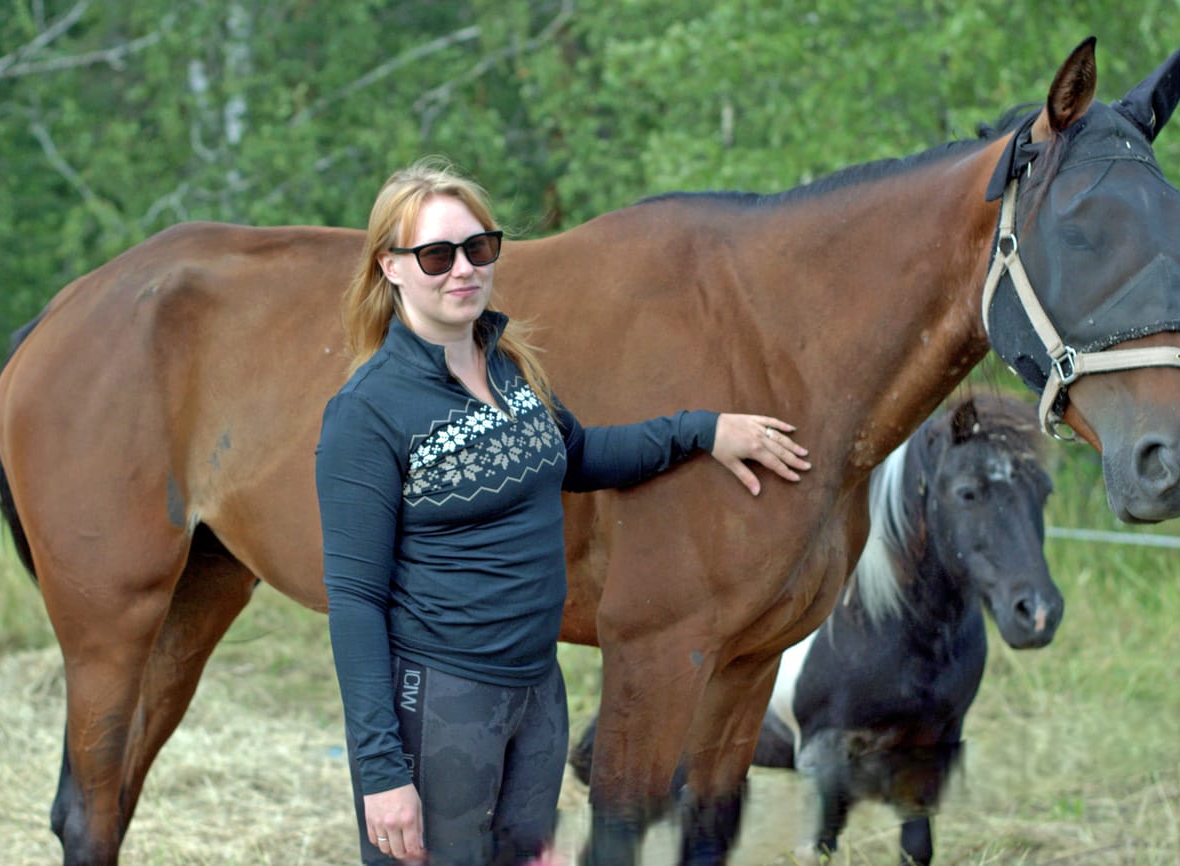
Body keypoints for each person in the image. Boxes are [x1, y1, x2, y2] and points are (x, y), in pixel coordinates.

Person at [315, 156, 812, 866]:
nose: (462, 269)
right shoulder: (368, 412)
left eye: (478, 247)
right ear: (390, 268)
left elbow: (578, 456)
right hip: (442, 705)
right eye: (435, 255)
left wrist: (705, 430)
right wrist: (382, 771)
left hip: (535, 694)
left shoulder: (508, 368)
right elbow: (356, 602)